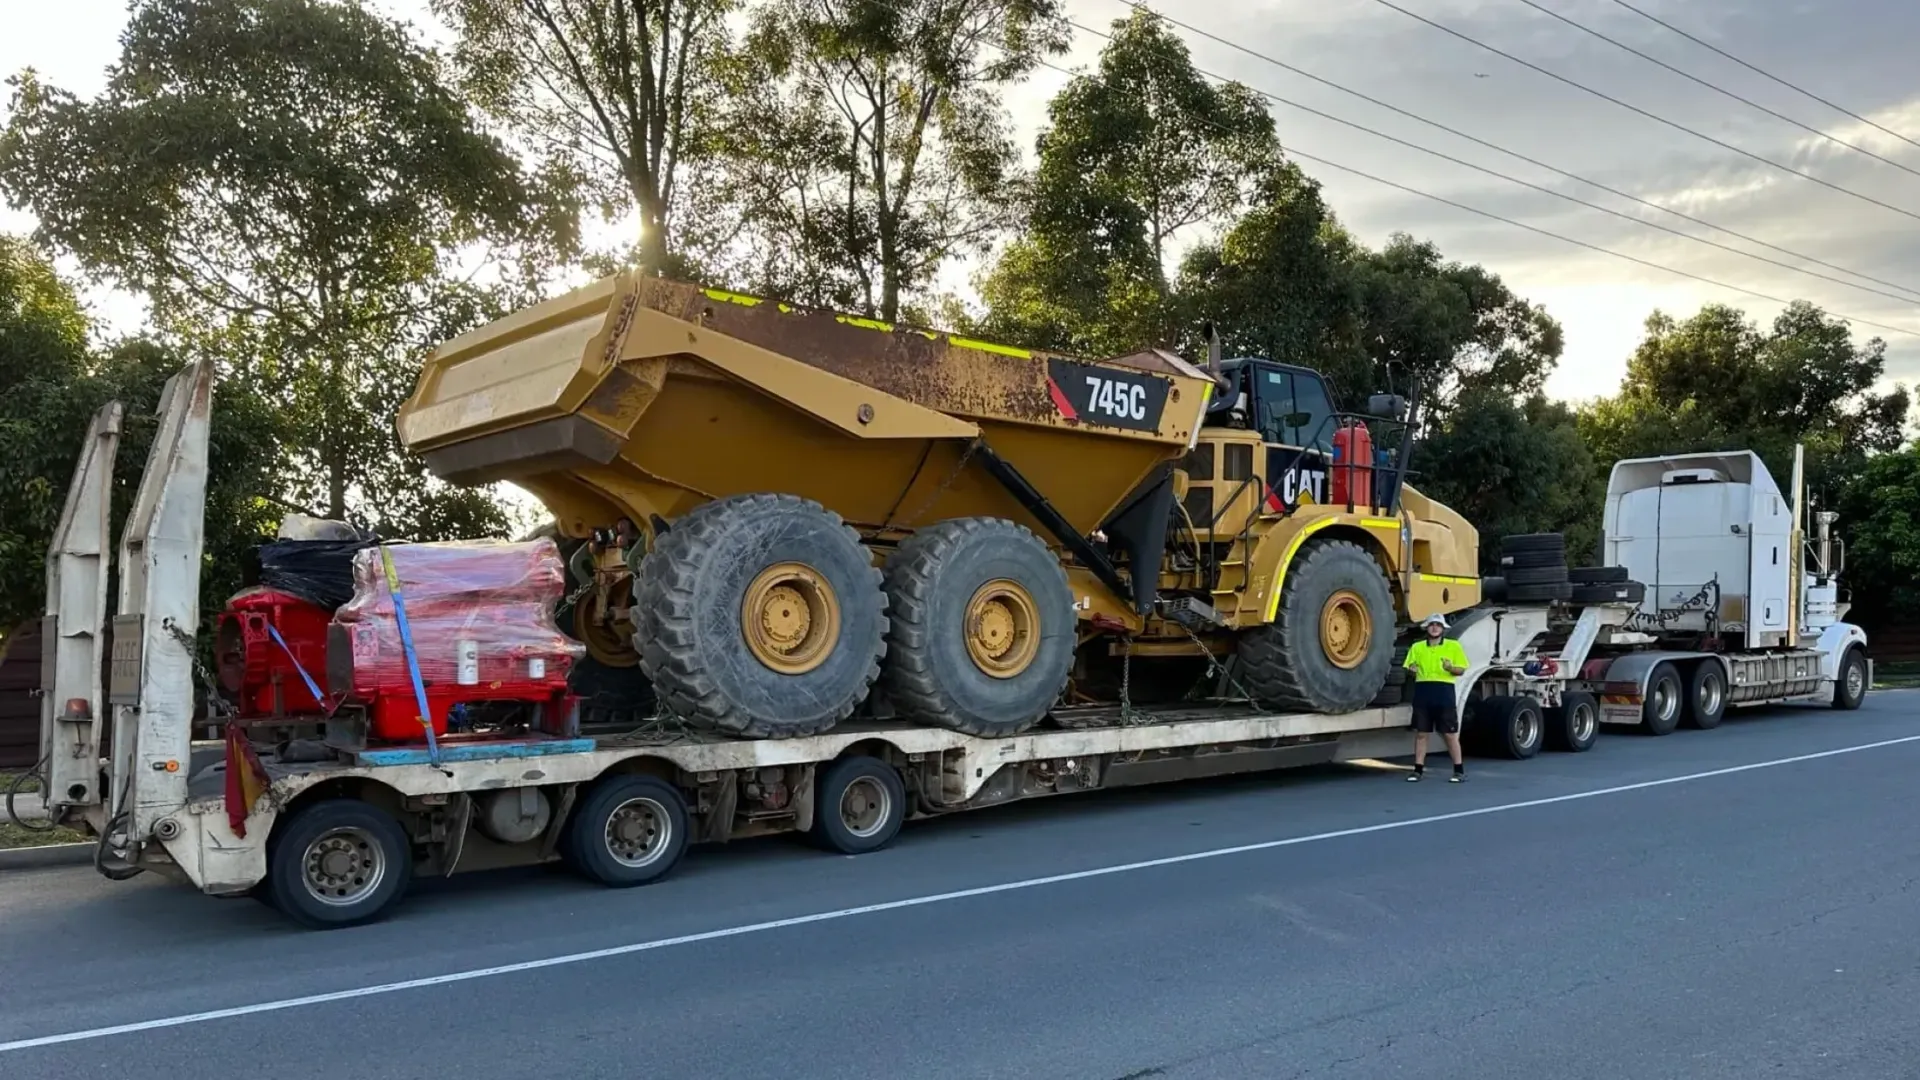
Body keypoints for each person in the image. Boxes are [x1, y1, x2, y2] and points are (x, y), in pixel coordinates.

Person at [1404, 613, 1469, 783]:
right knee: (1421, 733)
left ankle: (1459, 770)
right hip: (1423, 690)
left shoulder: (1453, 646)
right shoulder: (1417, 647)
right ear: (1427, 628)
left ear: (1443, 629)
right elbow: (1409, 667)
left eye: (1438, 625)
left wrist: (1450, 667)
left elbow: (1461, 670)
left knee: (1449, 734)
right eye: (1432, 624)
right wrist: (1411, 669)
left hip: (1444, 692)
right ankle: (1418, 770)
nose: (1434, 627)